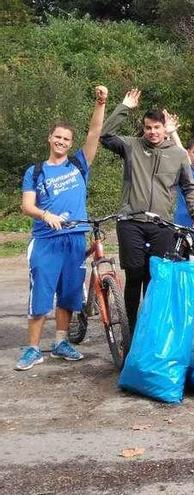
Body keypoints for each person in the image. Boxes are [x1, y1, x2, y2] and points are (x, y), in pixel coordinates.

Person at [15, 85, 107, 370]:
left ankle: (61, 342)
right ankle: (32, 348)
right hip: (46, 240)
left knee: (69, 292)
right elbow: (27, 206)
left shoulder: (79, 164)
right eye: (58, 137)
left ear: (70, 143)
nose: (62, 142)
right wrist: (46, 216)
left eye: (67, 139)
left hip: (75, 238)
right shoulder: (36, 171)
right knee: (42, 292)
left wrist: (100, 103)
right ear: (50, 139)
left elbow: (94, 133)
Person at [100, 88, 194, 329]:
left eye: (157, 127)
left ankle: (151, 328)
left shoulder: (178, 154)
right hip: (131, 220)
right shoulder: (131, 146)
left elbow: (189, 187)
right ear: (144, 128)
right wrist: (124, 107)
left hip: (161, 225)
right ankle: (131, 329)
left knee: (155, 276)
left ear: (164, 128)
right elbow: (104, 135)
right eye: (148, 127)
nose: (152, 132)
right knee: (135, 273)